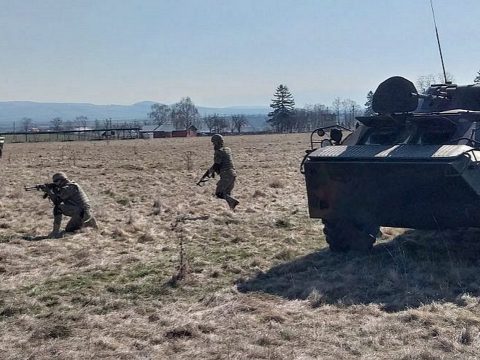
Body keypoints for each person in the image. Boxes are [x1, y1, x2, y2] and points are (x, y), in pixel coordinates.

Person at [48, 172, 97, 238]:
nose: (55, 183)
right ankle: (85, 226)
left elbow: (57, 200)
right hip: (85, 213)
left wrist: (49, 192)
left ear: (62, 180)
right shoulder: (71, 185)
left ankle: (55, 231)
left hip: (81, 213)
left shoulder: (70, 187)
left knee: (58, 208)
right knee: (70, 229)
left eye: (56, 181)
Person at [209, 134, 239, 210]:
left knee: (219, 193)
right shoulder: (228, 149)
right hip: (233, 174)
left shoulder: (218, 152)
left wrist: (211, 171)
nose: (213, 145)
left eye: (214, 143)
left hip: (226, 175)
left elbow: (217, 165)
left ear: (217, 142)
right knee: (227, 193)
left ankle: (233, 202)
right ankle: (233, 210)